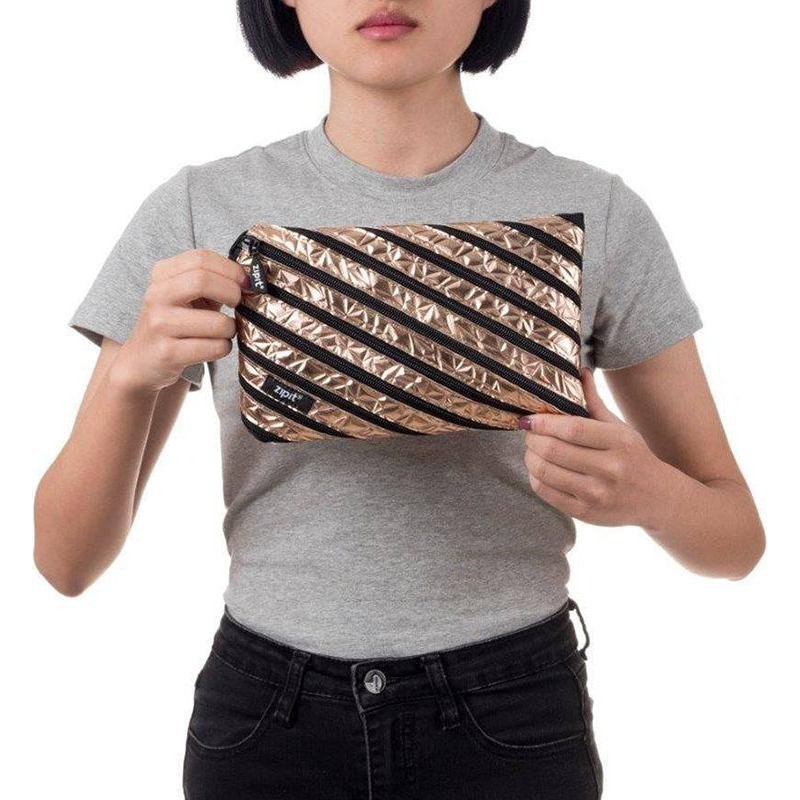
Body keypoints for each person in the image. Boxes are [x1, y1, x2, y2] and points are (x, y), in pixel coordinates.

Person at [33, 2, 765, 798]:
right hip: (268, 720)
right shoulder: (195, 209)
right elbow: (66, 564)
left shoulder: (600, 212)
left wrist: (650, 494)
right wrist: (125, 378)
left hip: (512, 712)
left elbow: (737, 541)